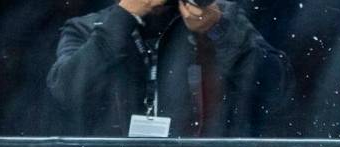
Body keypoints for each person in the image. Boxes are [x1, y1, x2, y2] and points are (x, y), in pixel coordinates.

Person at [46, 0, 293, 137]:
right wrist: (123, 19)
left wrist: (218, 29)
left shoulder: (218, 17)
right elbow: (66, 91)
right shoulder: (90, 28)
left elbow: (276, 89)